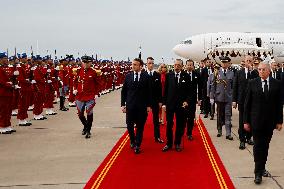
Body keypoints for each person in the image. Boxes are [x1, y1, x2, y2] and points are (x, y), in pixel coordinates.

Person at [243, 62, 283, 185]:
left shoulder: (277, 84)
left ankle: (262, 167)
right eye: (259, 69)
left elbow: (278, 104)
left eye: (263, 69)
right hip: (256, 121)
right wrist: (245, 121)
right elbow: (247, 104)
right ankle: (257, 173)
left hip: (270, 122)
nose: (260, 71)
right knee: (258, 146)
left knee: (265, 146)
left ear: (269, 70)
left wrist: (279, 121)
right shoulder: (252, 83)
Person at [121, 58, 151, 154]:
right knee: (129, 126)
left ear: (140, 66)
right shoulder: (128, 76)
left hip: (142, 107)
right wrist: (123, 104)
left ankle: (138, 145)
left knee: (140, 127)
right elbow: (124, 91)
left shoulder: (146, 77)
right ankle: (132, 140)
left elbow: (149, 92)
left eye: (135, 64)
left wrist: (148, 105)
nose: (133, 66)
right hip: (130, 106)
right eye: (132, 64)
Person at [162, 59, 189, 152]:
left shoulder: (186, 76)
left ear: (182, 66)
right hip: (170, 104)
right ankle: (169, 143)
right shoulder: (169, 75)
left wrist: (186, 101)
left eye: (178, 65)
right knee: (169, 124)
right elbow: (165, 91)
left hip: (181, 105)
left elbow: (190, 91)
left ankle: (177, 143)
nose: (176, 67)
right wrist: (164, 103)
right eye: (175, 65)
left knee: (180, 125)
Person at [73, 56, 101, 139]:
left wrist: (96, 93)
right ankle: (85, 125)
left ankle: (88, 130)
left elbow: (98, 84)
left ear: (90, 63)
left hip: (90, 96)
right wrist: (74, 89)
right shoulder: (77, 71)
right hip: (80, 95)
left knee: (89, 112)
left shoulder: (94, 72)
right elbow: (75, 81)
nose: (85, 64)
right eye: (84, 62)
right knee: (80, 114)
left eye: (87, 63)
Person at [209, 56, 234, 140]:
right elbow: (213, 85)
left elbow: (233, 86)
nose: (224, 64)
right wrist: (212, 96)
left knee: (228, 115)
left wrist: (233, 97)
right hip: (219, 97)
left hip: (228, 97)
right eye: (222, 62)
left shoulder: (232, 73)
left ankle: (228, 133)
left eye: (225, 62)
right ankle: (219, 130)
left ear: (228, 63)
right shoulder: (216, 72)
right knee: (219, 115)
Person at [232, 55, 254, 150]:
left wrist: (252, 71)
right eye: (247, 60)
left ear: (252, 62)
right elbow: (235, 87)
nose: (248, 62)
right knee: (242, 120)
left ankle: (249, 137)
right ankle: (242, 140)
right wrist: (234, 100)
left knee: (250, 120)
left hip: (252, 101)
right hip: (241, 100)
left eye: (250, 61)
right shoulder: (239, 72)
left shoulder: (255, 73)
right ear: (244, 62)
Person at [145, 57, 164, 143]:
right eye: (149, 63)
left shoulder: (157, 75)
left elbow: (160, 89)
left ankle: (157, 137)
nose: (151, 65)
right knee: (141, 120)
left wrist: (160, 101)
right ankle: (140, 137)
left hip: (155, 101)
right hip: (145, 101)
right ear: (146, 64)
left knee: (156, 120)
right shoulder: (142, 74)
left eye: (152, 63)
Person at [185, 59, 202, 140]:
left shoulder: (197, 74)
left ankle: (189, 133)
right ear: (186, 65)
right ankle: (181, 132)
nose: (189, 66)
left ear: (193, 66)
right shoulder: (183, 74)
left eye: (191, 65)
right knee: (183, 117)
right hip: (183, 100)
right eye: (188, 65)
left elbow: (200, 87)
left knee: (191, 117)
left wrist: (200, 99)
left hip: (193, 100)